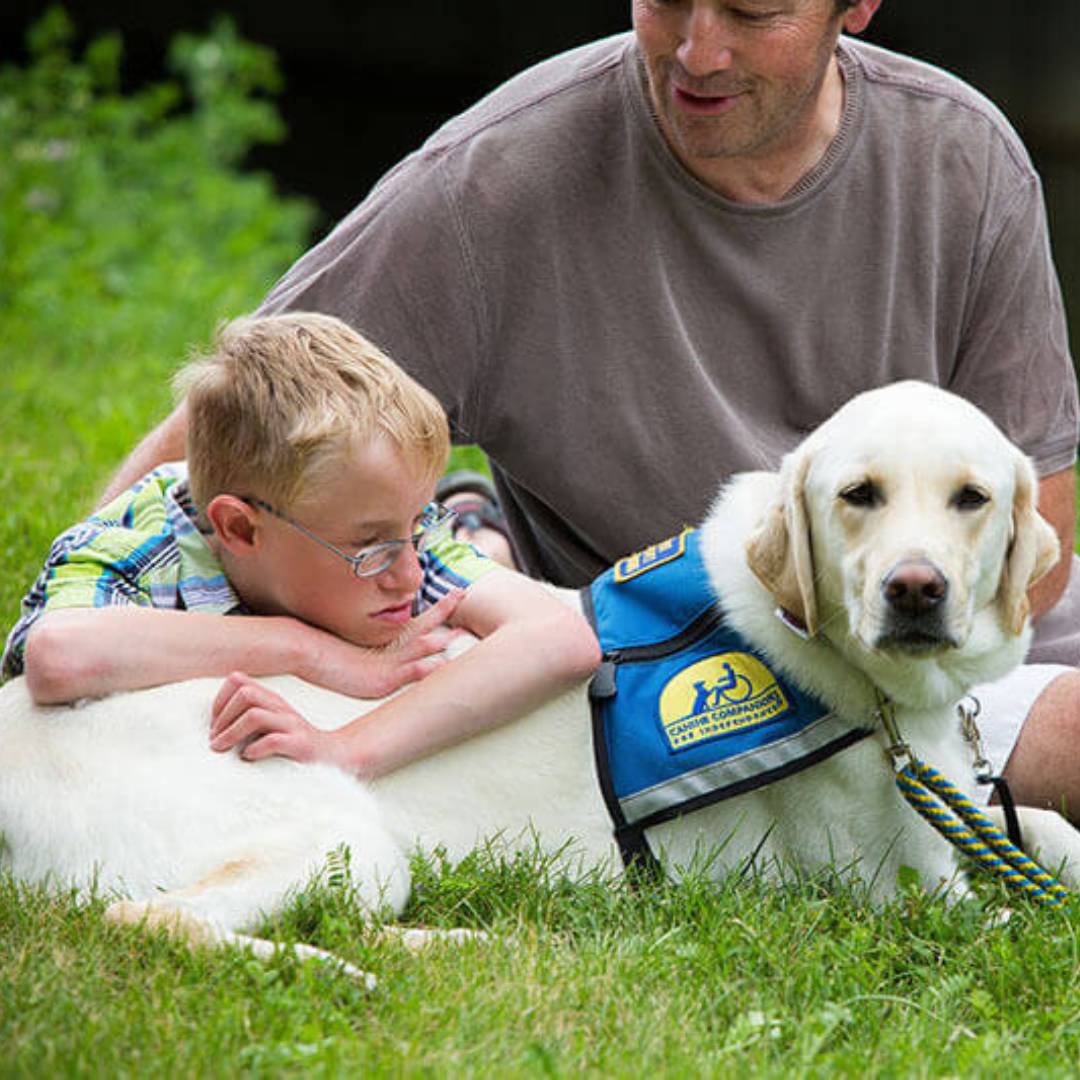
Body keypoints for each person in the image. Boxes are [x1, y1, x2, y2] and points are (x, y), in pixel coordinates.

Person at [99, 3, 1080, 814]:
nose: (698, 51)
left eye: (751, 11)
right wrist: (87, 615)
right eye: (665, 1)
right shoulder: (494, 183)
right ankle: (475, 536)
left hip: (942, 650)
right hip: (667, 670)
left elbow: (1045, 510)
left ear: (855, 6)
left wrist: (916, 700)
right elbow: (236, 423)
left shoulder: (967, 163)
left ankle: (473, 524)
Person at [2, 313, 599, 776]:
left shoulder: (395, 541)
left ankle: (476, 525)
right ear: (239, 530)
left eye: (413, 526)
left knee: (480, 560)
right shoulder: (138, 544)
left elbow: (562, 640)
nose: (409, 575)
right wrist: (307, 650)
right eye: (368, 545)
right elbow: (56, 658)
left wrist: (346, 750)